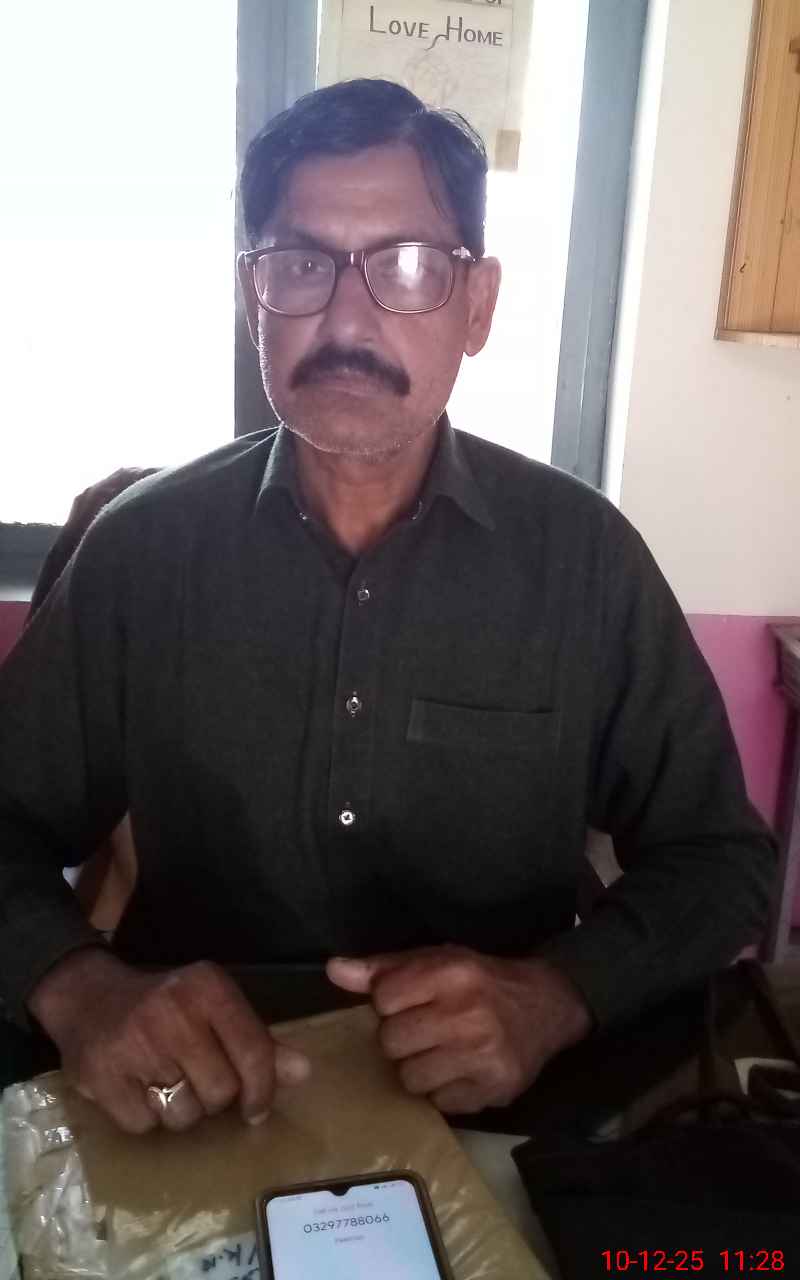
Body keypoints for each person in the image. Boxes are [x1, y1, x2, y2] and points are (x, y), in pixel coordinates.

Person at [0, 79, 776, 1135]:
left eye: (408, 266)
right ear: (251, 295)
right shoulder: (142, 551)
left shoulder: (583, 560)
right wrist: (80, 986)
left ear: (478, 305)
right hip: (202, 1104)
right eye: (300, 264)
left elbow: (720, 859)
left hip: (503, 1110)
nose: (348, 320)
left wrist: (558, 993)